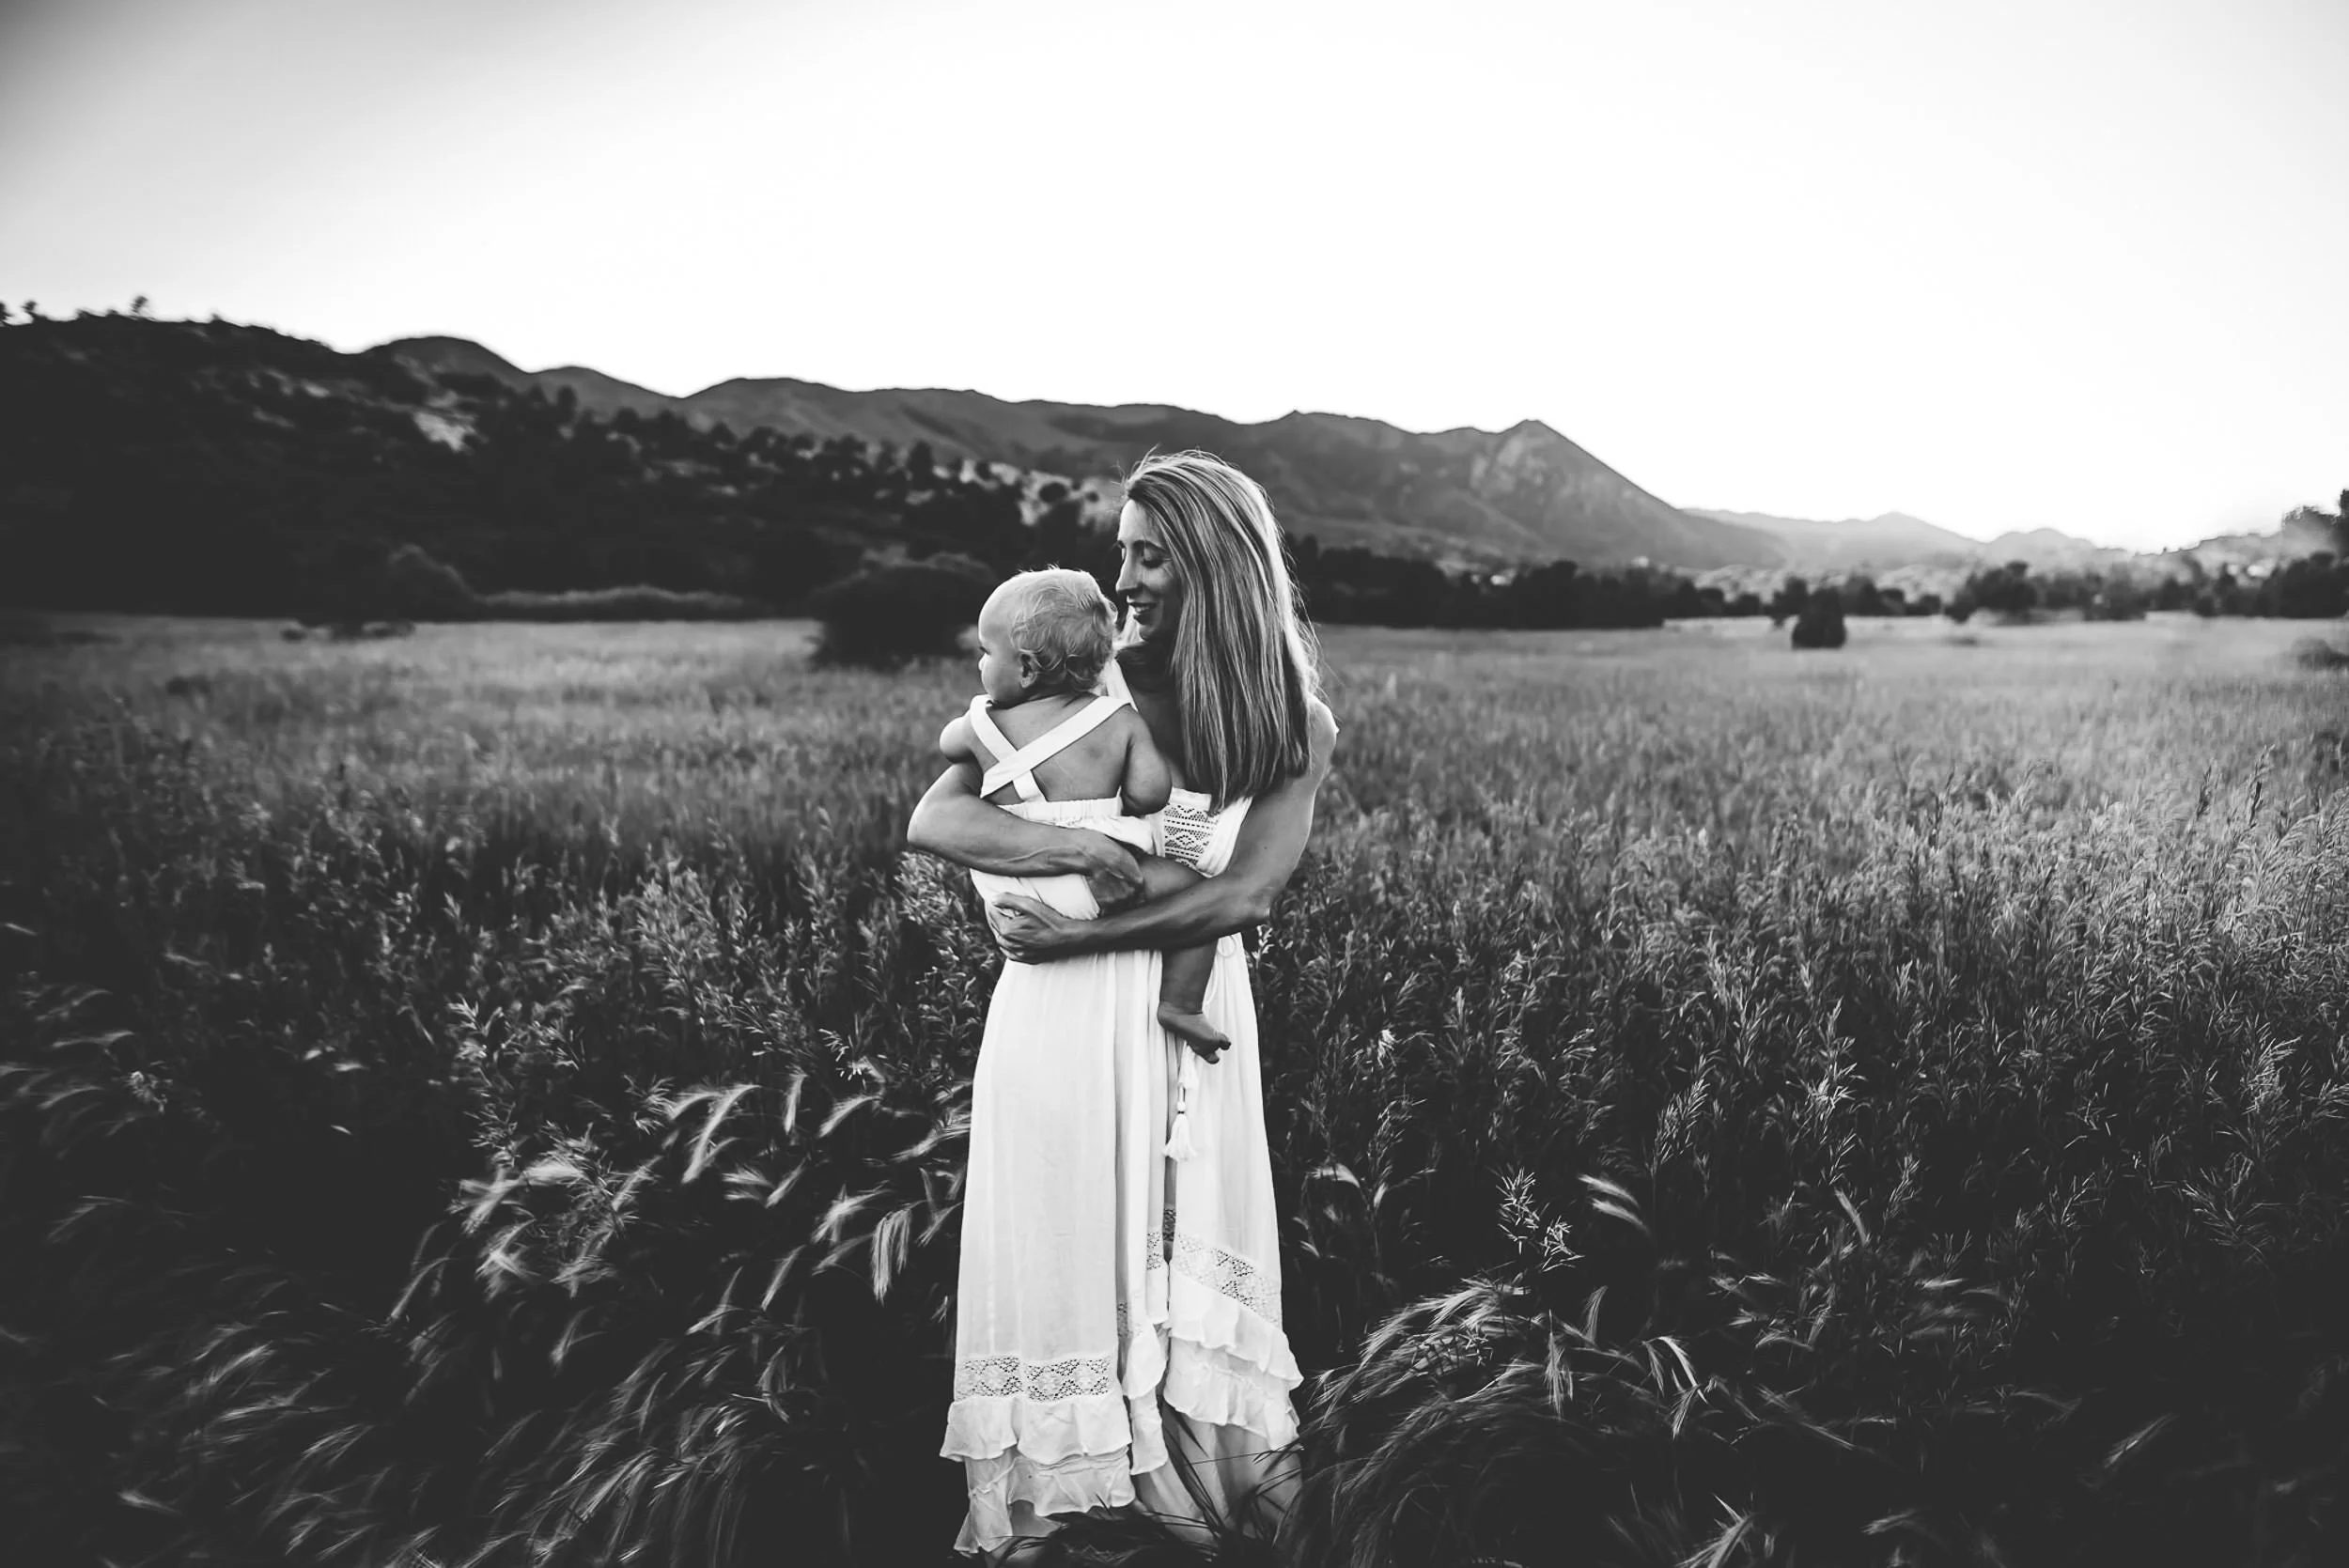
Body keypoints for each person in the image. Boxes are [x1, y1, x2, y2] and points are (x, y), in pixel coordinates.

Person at [910, 451, 1340, 1559]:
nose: (1127, 579)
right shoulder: (1082, 677)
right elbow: (944, 816)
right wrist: (1079, 845)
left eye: (1150, 554)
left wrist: (1080, 926)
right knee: (1069, 1242)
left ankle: (1201, 1507)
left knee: (1182, 1239)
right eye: (1123, 553)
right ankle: (1075, 1513)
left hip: (1181, 1004)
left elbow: (1243, 891)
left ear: (1213, 565)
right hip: (1057, 1016)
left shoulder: (1292, 718)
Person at [939, 567, 1233, 1063]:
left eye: (987, 654)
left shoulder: (979, 724)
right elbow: (1150, 794)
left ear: (1028, 669)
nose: (981, 665)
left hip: (1018, 885)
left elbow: (948, 748)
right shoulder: (1116, 719)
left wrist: (983, 730)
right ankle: (1182, 1005)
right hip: (1109, 879)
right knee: (1193, 890)